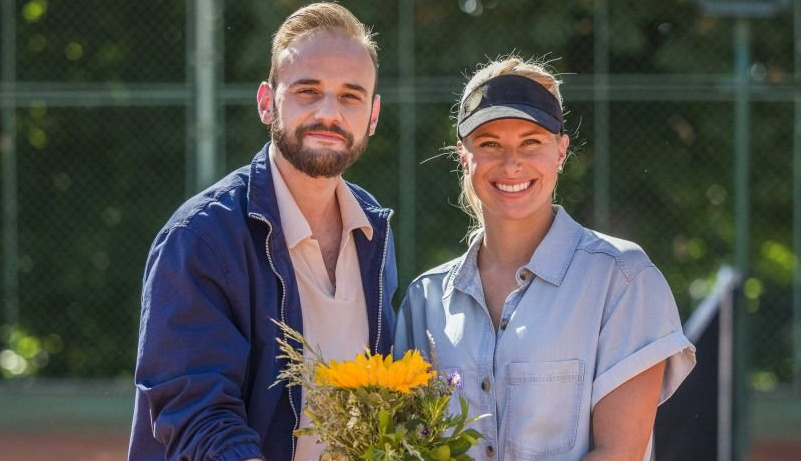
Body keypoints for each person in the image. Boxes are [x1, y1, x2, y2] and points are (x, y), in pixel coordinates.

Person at [128, 3, 396, 460]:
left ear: (372, 116)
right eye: (307, 91)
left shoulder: (373, 228)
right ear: (267, 103)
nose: (328, 113)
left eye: (350, 96)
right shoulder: (200, 239)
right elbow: (196, 415)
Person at [394, 56, 696, 461]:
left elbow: (619, 452)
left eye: (531, 142)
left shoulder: (622, 279)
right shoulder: (424, 301)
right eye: (489, 144)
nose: (511, 162)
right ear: (463, 157)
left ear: (561, 151)